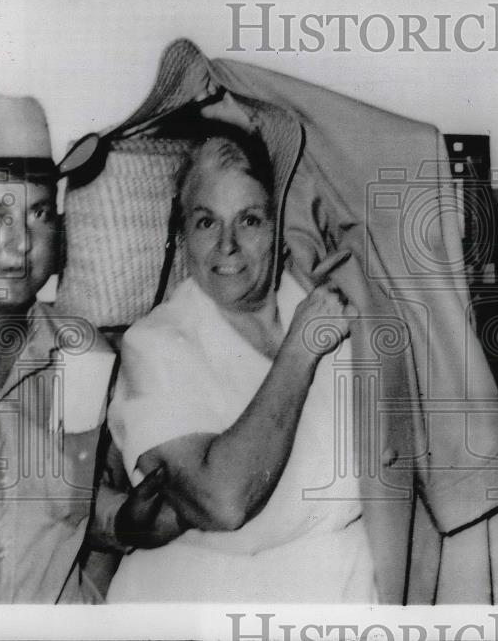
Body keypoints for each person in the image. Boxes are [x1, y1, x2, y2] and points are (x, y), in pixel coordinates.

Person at [105, 121, 375, 602]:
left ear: (280, 228)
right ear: (181, 233)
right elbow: (223, 501)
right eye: (206, 221)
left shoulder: (327, 307)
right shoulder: (156, 343)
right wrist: (300, 350)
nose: (226, 246)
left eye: (249, 219)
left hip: (342, 594)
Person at [0, 92, 178, 603]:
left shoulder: (83, 358)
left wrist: (127, 523)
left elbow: (77, 510)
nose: (22, 242)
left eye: (39, 212)